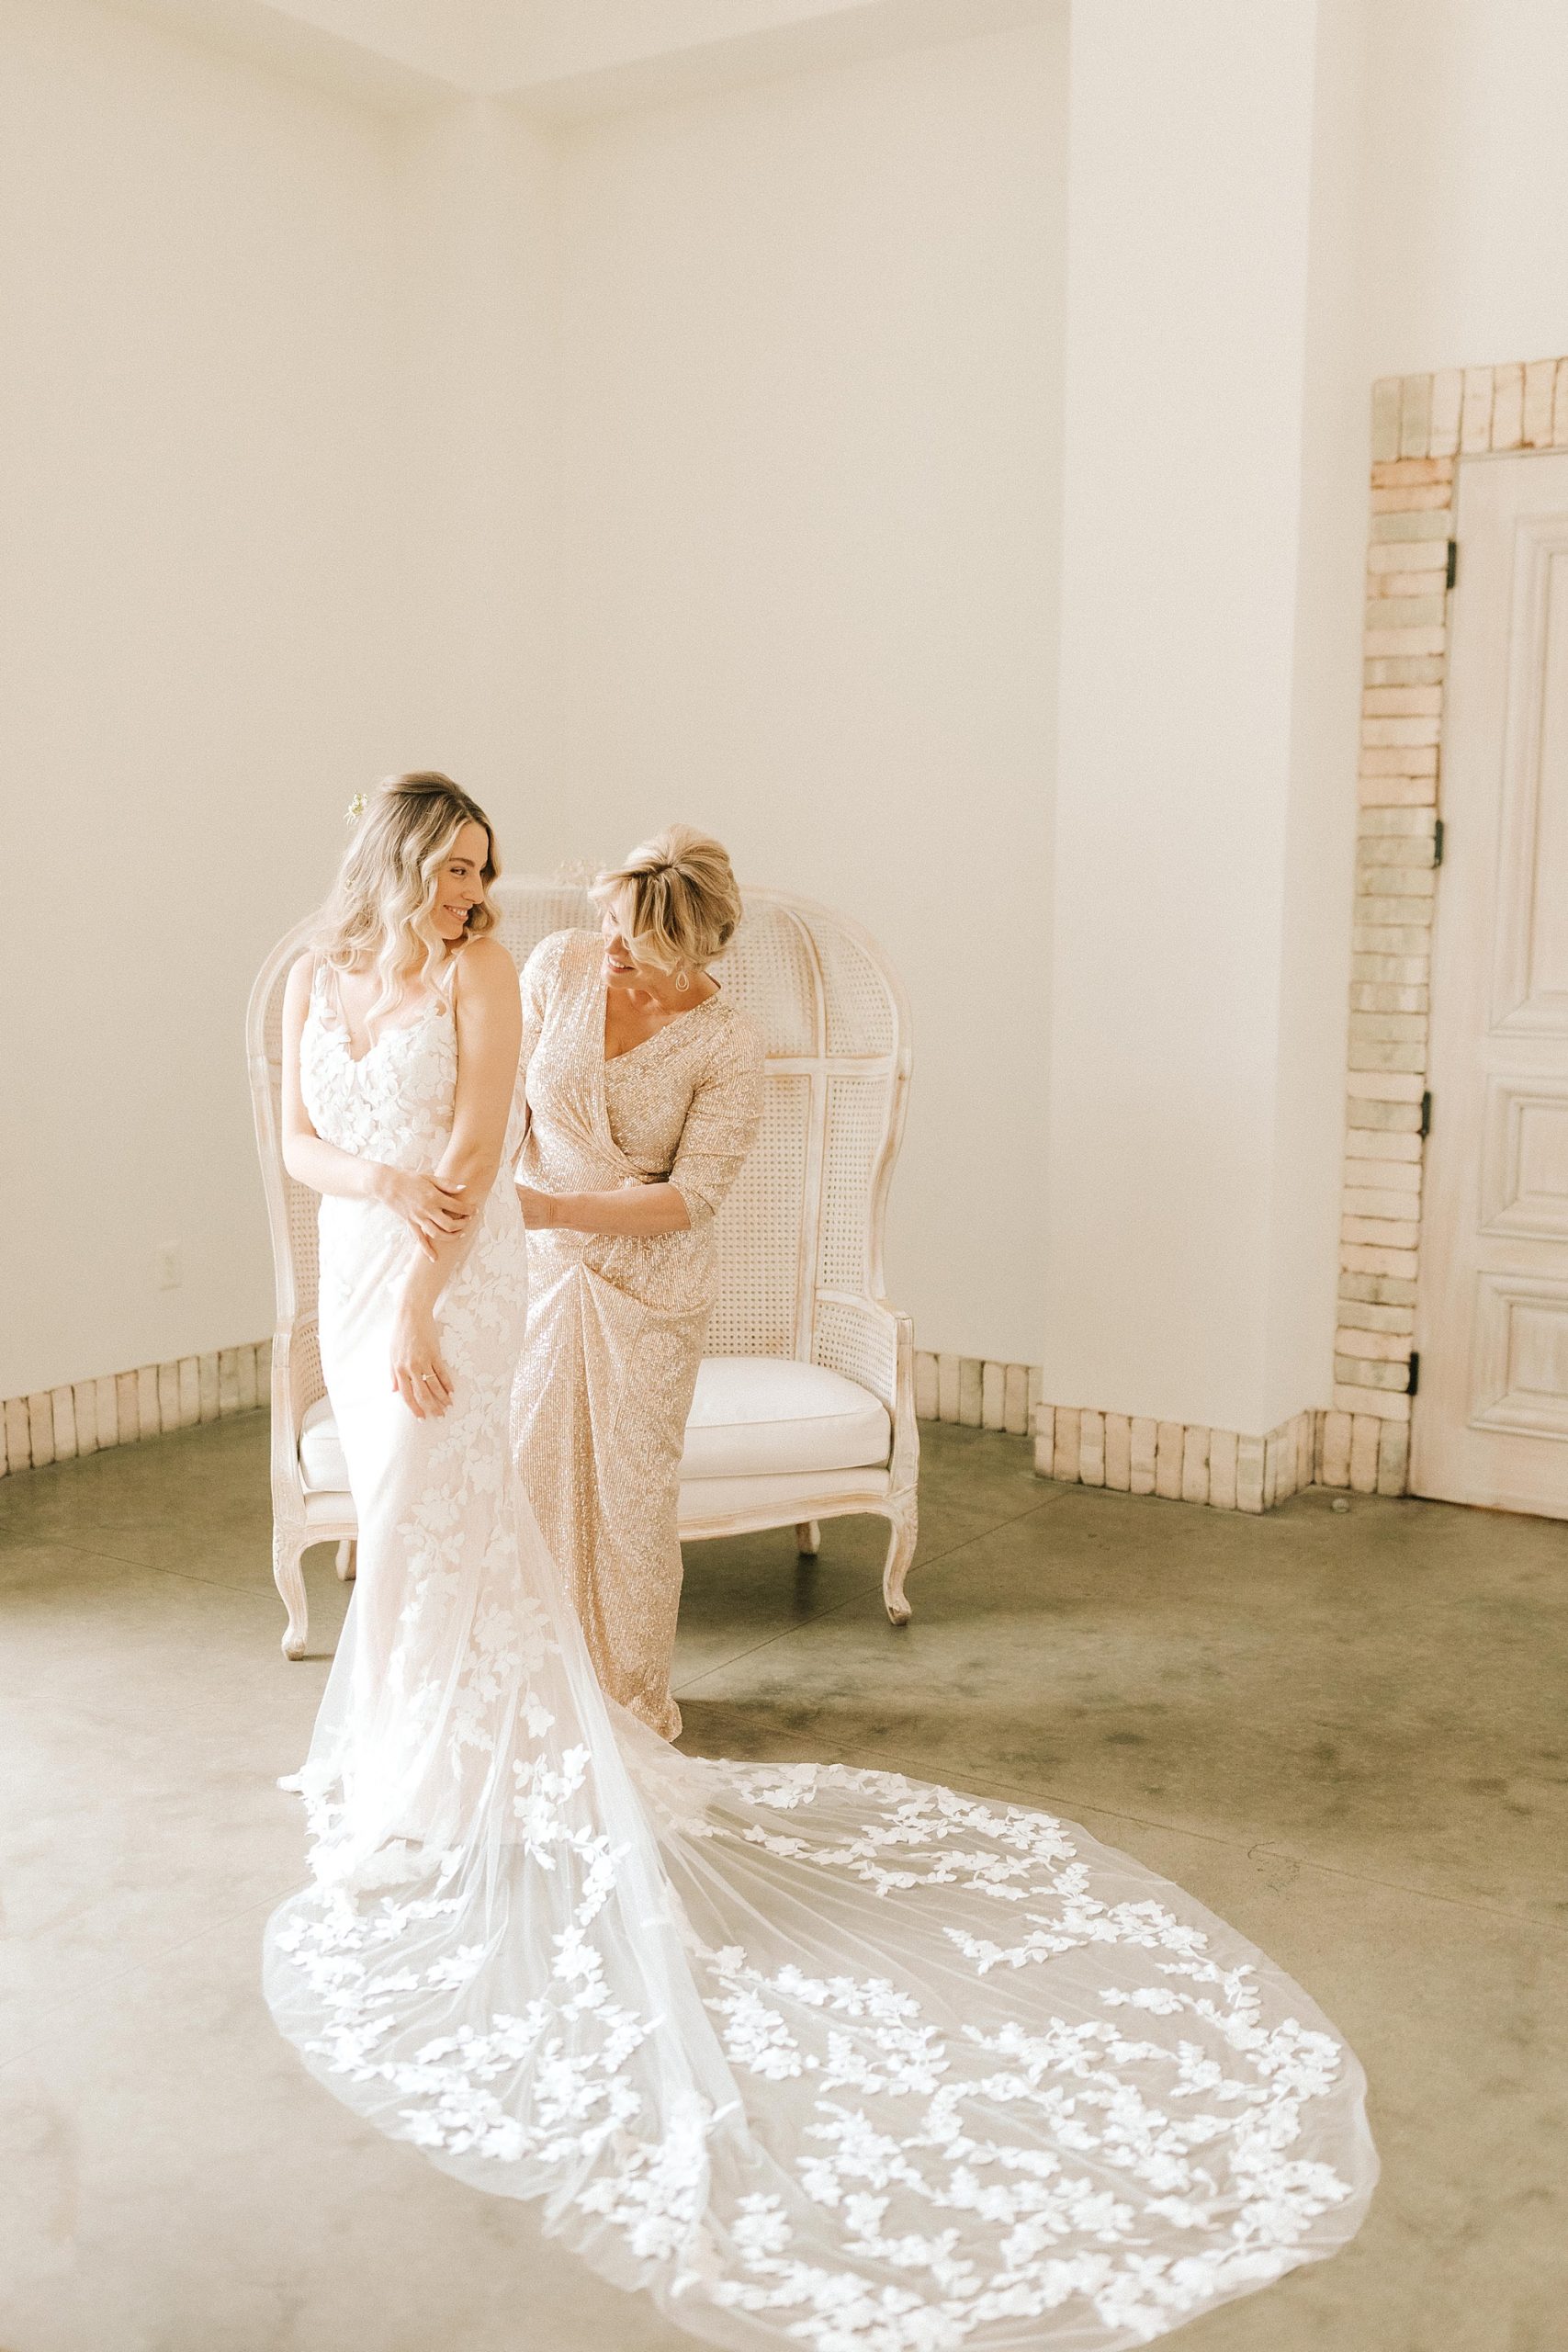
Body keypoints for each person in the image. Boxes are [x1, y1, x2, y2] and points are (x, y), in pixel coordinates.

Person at [265, 776, 1377, 2351]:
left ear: (692, 944)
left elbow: (651, 1191)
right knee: (451, 1528)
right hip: (445, 1258)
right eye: (460, 871)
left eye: (495, 875)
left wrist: (456, 1260)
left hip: (555, 1285)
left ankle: (590, 1717)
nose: (496, 901)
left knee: (555, 1516)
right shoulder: (494, 972)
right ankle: (448, 1753)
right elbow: (373, 1135)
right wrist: (407, 1212)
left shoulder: (670, 1025)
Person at [511, 828, 763, 1742]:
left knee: (630, 1505)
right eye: (610, 920)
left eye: (638, 937)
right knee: (522, 1472)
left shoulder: (728, 1044)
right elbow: (508, 1106)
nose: (611, 946)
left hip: (648, 1294)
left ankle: (624, 1707)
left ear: (697, 944)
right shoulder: (556, 968)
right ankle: (524, 1695)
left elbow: (691, 1199)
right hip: (535, 1270)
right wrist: (502, 1220)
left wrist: (554, 1211)